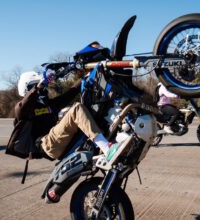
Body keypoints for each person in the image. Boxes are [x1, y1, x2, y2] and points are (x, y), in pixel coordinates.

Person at [8, 71, 127, 201]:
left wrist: (86, 77)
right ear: (27, 89)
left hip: (56, 142)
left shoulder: (49, 105)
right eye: (34, 85)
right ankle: (107, 148)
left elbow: (69, 94)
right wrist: (38, 88)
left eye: (41, 85)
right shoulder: (23, 109)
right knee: (76, 109)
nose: (43, 89)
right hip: (46, 144)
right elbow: (22, 106)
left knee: (91, 116)